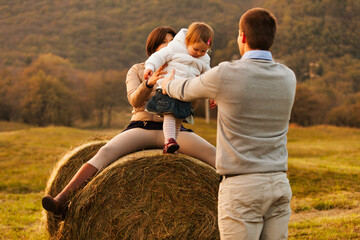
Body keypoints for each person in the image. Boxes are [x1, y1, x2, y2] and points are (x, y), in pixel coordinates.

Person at [42, 26, 216, 220]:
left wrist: (191, 86)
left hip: (174, 131)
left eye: (172, 42)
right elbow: (134, 100)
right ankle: (61, 200)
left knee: (213, 154)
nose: (169, 45)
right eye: (164, 42)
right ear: (154, 46)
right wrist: (149, 83)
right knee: (105, 152)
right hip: (142, 127)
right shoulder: (138, 69)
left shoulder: (188, 65)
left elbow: (192, 105)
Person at [162, 8, 296, 240]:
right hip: (279, 184)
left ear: (242, 36)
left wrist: (167, 82)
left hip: (242, 187)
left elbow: (184, 90)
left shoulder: (225, 74)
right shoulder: (288, 77)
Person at [143, 22, 214, 153]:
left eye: (203, 51)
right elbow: (158, 56)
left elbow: (208, 77)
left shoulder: (204, 60)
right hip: (168, 89)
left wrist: (212, 95)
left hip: (186, 93)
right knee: (170, 114)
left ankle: (171, 146)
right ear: (187, 42)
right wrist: (150, 67)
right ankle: (169, 140)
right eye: (196, 49)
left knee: (178, 120)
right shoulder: (174, 48)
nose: (199, 53)